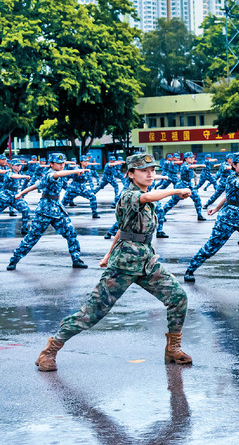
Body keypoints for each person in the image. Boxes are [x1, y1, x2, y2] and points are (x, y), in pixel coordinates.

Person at [33, 153, 195, 372]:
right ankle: (50, 350)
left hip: (146, 260)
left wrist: (107, 254)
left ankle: (173, 348)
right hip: (124, 265)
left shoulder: (144, 195)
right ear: (130, 174)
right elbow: (147, 199)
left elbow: (123, 228)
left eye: (152, 170)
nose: (150, 174)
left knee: (178, 297)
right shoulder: (129, 195)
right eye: (143, 170)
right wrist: (176, 190)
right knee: (92, 313)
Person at [183, 152, 239, 283]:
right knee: (212, 247)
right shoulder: (232, 178)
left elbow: (228, 195)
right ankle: (190, 270)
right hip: (228, 218)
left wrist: (216, 208)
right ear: (234, 165)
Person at [8, 152, 90, 270]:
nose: (62, 165)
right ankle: (14, 259)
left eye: (63, 163)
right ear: (51, 164)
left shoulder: (56, 173)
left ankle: (76, 259)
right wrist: (76, 171)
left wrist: (21, 193)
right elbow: (57, 174)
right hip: (44, 211)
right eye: (58, 163)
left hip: (57, 210)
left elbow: (36, 185)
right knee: (32, 237)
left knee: (71, 233)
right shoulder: (50, 174)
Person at [155, 152, 206, 237]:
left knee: (197, 199)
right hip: (182, 185)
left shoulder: (189, 164)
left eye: (192, 157)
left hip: (189, 185)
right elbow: (191, 166)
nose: (192, 159)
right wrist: (201, 165)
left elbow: (193, 173)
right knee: (172, 202)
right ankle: (162, 214)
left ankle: (199, 215)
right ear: (186, 158)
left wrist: (195, 181)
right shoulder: (184, 165)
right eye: (190, 158)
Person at [0, 159, 32, 233]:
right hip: (5, 196)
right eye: (17, 165)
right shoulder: (9, 172)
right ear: (12, 166)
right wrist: (23, 176)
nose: (19, 167)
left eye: (20, 165)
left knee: (25, 209)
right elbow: (13, 176)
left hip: (14, 196)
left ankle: (24, 228)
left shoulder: (20, 173)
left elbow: (23, 186)